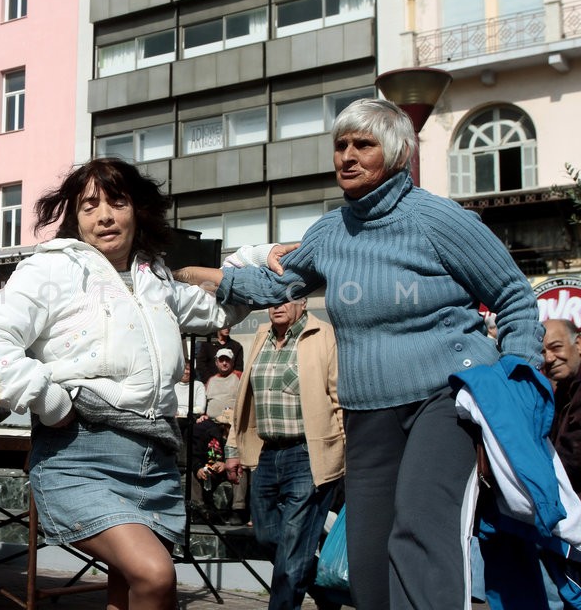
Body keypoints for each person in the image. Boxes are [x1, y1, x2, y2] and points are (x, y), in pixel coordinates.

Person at [174, 98, 544, 610]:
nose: (346, 156)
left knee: (420, 530)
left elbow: (514, 295)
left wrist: (519, 376)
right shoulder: (331, 232)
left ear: (394, 154)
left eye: (362, 144)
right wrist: (187, 273)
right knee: (367, 554)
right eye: (340, 145)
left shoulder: (439, 219)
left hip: (447, 396)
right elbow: (271, 287)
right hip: (369, 410)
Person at [0, 157, 255, 610]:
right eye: (89, 205)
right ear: (74, 218)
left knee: (127, 589)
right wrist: (51, 401)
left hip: (153, 457)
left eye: (117, 201)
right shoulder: (53, 270)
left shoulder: (155, 278)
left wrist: (257, 260)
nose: (105, 216)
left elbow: (221, 311)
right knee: (155, 576)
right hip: (80, 454)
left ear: (138, 210)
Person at [224, 298, 344, 610]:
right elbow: (243, 399)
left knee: (292, 548)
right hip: (267, 454)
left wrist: (348, 452)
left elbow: (340, 398)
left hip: (309, 454)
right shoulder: (263, 335)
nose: (278, 306)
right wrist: (233, 447)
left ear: (303, 302)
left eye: (287, 299)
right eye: (272, 300)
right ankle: (323, 586)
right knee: (266, 536)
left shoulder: (324, 335)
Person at [198, 349, 248, 524]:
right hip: (212, 427)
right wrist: (203, 414)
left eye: (227, 360)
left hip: (234, 428)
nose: (224, 363)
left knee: (238, 465)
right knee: (202, 462)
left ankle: (238, 509)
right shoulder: (211, 381)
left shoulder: (239, 377)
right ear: (216, 362)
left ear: (232, 362)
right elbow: (203, 402)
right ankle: (203, 509)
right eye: (221, 360)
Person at [542, 319, 581, 495]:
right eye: (542, 352)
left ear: (578, 344)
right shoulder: (561, 391)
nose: (549, 358)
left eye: (556, 347)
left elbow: (574, 451)